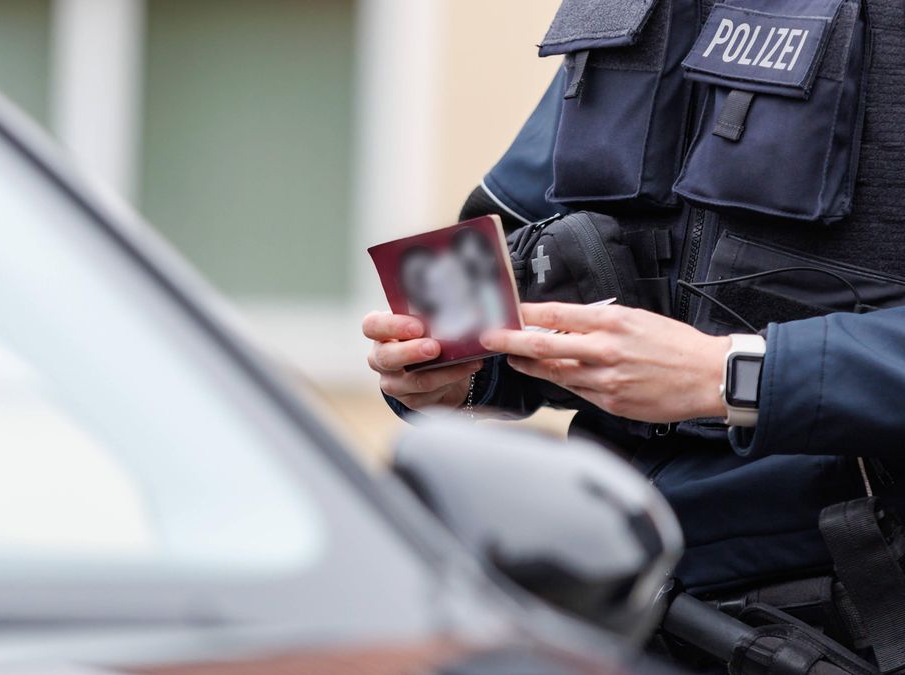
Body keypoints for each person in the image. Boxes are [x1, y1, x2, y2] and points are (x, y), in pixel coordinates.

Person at [364, 0, 905, 663]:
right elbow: (508, 249)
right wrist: (452, 368)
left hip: (854, 621)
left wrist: (730, 374)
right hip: (606, 607)